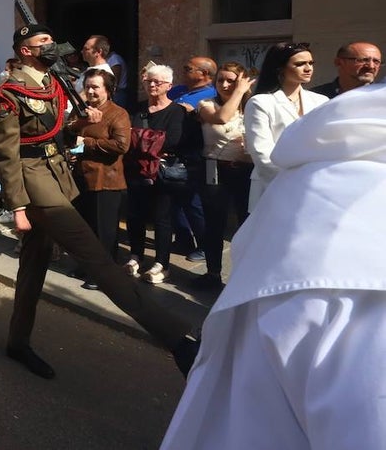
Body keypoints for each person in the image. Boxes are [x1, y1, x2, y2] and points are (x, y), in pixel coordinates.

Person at [162, 86, 386, 450]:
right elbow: (257, 148)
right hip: (261, 188)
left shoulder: (320, 120)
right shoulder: (268, 110)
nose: (307, 69)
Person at [0, 26, 197, 379]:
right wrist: (18, 206)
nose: (51, 46)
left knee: (33, 268)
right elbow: (7, 154)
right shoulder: (8, 94)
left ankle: (17, 341)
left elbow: (58, 132)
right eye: (42, 43)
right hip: (35, 186)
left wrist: (81, 122)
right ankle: (178, 340)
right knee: (99, 260)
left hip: (57, 178)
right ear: (24, 51)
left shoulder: (52, 84)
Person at [124, 63, 190, 285]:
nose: (152, 85)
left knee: (162, 218)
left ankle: (162, 263)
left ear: (168, 85)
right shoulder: (138, 108)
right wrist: (152, 139)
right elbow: (128, 137)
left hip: (161, 173)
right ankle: (135, 256)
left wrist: (140, 138)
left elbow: (172, 140)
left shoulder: (177, 111)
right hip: (135, 169)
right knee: (135, 215)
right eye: (148, 81)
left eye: (157, 82)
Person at [243, 42, 328, 210]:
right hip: (273, 184)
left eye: (310, 63)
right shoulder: (261, 102)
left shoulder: (321, 101)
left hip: (314, 186)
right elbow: (261, 152)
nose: (308, 68)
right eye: (299, 64)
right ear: (280, 68)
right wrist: (293, 183)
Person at [66, 68, 130, 289]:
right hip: (81, 177)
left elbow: (122, 145)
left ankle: (105, 276)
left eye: (95, 87)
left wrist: (87, 143)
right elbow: (69, 132)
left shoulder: (117, 113)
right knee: (86, 228)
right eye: (88, 86)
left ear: (108, 90)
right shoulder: (82, 110)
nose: (90, 91)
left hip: (106, 180)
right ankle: (88, 266)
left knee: (105, 231)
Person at [193, 61, 253, 291]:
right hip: (214, 167)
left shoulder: (251, 106)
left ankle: (245, 277)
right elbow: (222, 119)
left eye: (231, 80)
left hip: (245, 169)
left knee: (246, 223)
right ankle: (213, 273)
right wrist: (239, 90)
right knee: (214, 223)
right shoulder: (206, 104)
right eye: (221, 80)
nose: (225, 84)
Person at [311, 41, 381, 98]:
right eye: (363, 60)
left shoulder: (382, 96)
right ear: (339, 62)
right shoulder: (316, 97)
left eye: (376, 61)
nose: (371, 66)